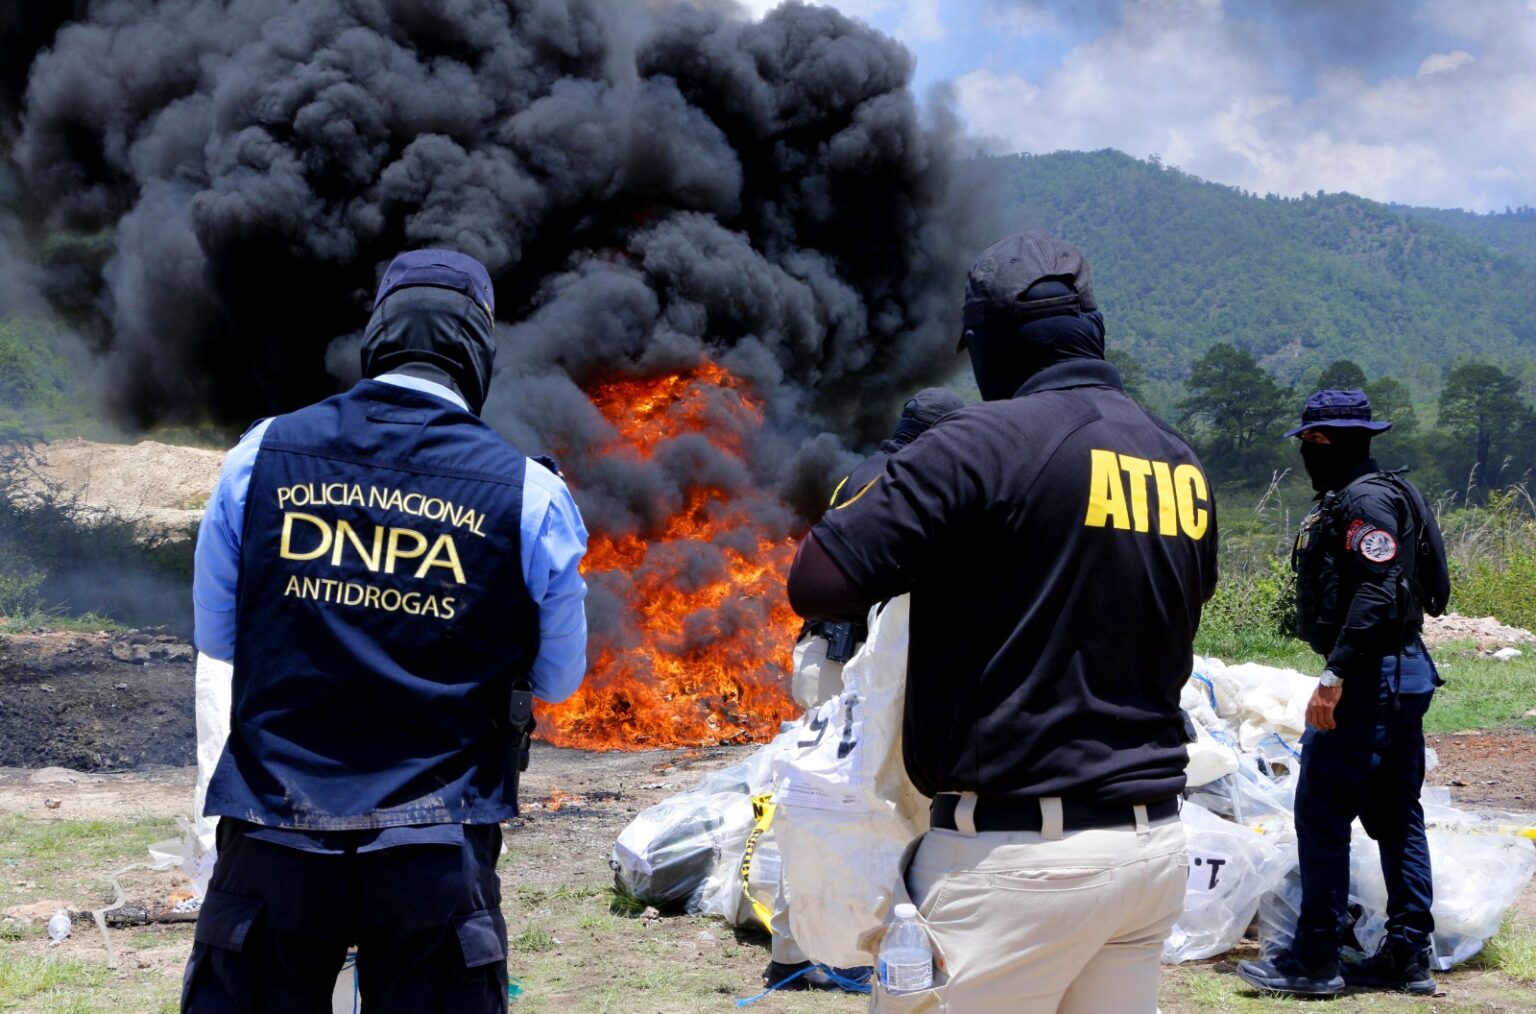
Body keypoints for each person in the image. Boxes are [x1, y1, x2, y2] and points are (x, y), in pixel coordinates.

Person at [786, 232, 1219, 1013]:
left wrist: (900, 478)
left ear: (990, 344)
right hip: (1149, 849)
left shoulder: (982, 446)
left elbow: (817, 581)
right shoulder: (1177, 461)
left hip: (1015, 863)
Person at [183, 249, 589, 1013]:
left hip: (275, 830)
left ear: (378, 336)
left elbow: (221, 638)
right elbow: (560, 679)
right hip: (434, 842)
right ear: (477, 350)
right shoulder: (529, 494)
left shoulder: (259, 456)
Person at [1238, 389, 1449, 998]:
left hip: (1367, 680)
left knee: (1323, 814)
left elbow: (1377, 590)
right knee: (1398, 815)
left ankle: (1315, 961)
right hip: (1402, 674)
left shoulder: (1362, 502)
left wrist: (1334, 676)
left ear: (1324, 442)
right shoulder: (1387, 493)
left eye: (1311, 441)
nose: (1306, 453)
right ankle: (1408, 957)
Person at [766, 386, 964, 992]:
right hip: (853, 668)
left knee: (822, 806)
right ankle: (827, 949)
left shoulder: (862, 475)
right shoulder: (899, 484)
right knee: (848, 809)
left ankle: (804, 946)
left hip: (834, 661)